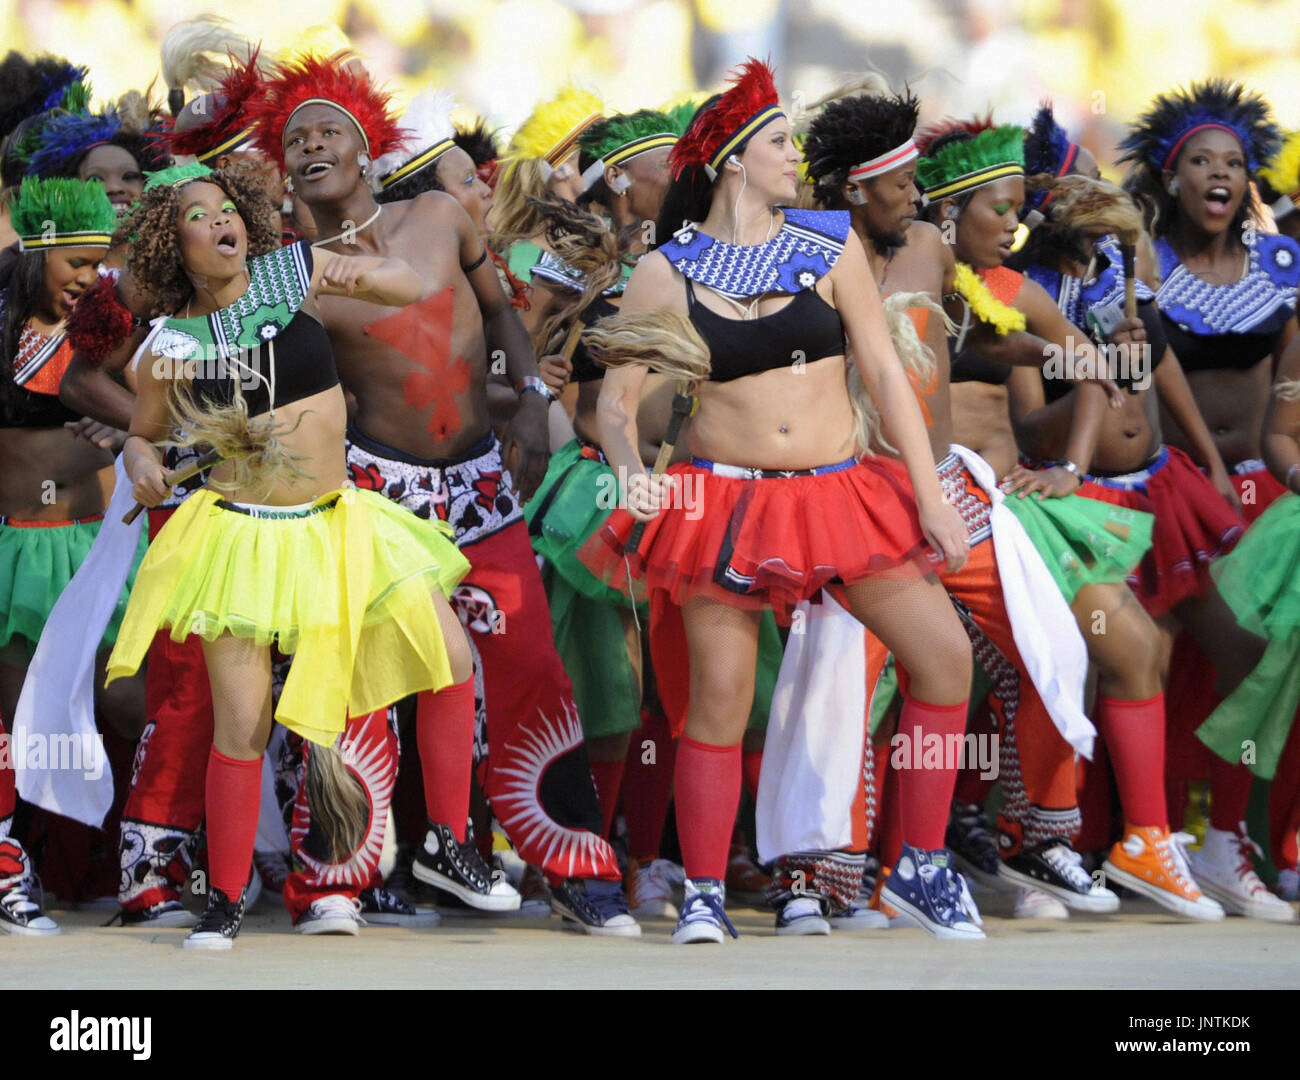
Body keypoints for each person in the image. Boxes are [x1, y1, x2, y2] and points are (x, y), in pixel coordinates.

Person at [584, 59, 978, 943]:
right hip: (724, 502)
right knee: (719, 702)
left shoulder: (828, 240)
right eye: (777, 142)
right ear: (733, 160)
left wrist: (931, 494)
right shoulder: (665, 271)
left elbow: (882, 369)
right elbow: (614, 406)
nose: (794, 154)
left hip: (842, 495)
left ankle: (920, 865)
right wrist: (625, 466)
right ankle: (706, 895)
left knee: (944, 659)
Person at [250, 54, 638, 935]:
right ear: (286, 172)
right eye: (296, 138)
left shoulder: (437, 213)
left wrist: (527, 400)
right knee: (361, 679)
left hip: (481, 483)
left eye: (329, 131)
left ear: (366, 150)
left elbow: (501, 310)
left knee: (529, 666)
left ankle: (574, 865)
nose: (313, 145)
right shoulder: (288, 270)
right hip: (374, 490)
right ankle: (338, 880)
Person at [104, 160, 478, 950]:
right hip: (240, 535)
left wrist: (351, 267)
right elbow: (143, 435)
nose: (219, 223)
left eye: (224, 209)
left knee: (452, 657)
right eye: (197, 219)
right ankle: (228, 897)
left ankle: (446, 839)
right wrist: (142, 469)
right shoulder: (171, 343)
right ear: (174, 248)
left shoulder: (290, 274)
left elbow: (409, 287)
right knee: (241, 725)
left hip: (339, 526)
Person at [913, 115, 1225, 919]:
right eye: (1010, 203)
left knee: (1060, 664)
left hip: (1013, 500)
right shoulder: (914, 269)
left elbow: (1111, 373)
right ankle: (892, 858)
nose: (1018, 217)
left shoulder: (1027, 287)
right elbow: (1023, 418)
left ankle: (1056, 840)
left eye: (1023, 202)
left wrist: (1098, 359)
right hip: (910, 496)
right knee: (897, 686)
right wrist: (1069, 456)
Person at [1119, 80, 1298, 921]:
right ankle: (1134, 838)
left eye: (1233, 163)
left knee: (1260, 670)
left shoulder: (1285, 264)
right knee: (1147, 664)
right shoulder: (1140, 261)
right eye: (1200, 161)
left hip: (1266, 496)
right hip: (1173, 493)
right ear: (1170, 176)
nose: (1218, 175)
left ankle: (1233, 837)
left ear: (1249, 180)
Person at [0, 176, 141, 935]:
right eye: (78, 263)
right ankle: (10, 868)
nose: (91, 278)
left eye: (100, 262)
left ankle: (152, 855)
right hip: (20, 551)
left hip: (101, 546)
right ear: (38, 251)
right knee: (22, 719)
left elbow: (148, 405)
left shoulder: (108, 322)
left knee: (128, 700)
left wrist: (123, 433)